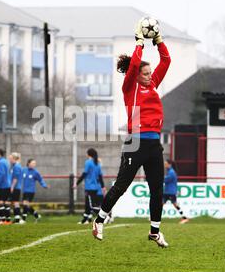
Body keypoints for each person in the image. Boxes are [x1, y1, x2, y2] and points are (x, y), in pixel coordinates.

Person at [92, 19, 171, 248]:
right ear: (136, 74)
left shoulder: (153, 84)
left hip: (154, 145)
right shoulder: (130, 87)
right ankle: (99, 220)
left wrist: (158, 41)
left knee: (157, 190)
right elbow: (135, 64)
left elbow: (166, 61)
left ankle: (155, 231)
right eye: (145, 72)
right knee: (121, 186)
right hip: (135, 143)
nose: (148, 75)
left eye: (149, 73)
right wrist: (140, 42)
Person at [76, 149, 106, 225]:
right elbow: (100, 176)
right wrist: (103, 186)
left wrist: (76, 183)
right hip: (95, 188)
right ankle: (85, 220)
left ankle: (105, 215)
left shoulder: (88, 162)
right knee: (88, 205)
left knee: (91, 205)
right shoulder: (98, 164)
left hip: (89, 187)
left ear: (89, 154)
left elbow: (84, 174)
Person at [21, 159, 48, 223]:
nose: (34, 165)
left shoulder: (35, 172)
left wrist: (44, 185)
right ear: (28, 163)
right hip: (25, 191)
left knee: (25, 204)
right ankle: (37, 215)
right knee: (26, 205)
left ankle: (23, 219)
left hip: (31, 191)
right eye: (33, 163)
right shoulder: (24, 170)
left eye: (35, 164)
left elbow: (40, 179)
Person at [164, 160, 189, 224]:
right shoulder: (170, 171)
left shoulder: (171, 172)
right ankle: (154, 218)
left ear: (170, 164)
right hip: (167, 191)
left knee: (175, 204)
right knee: (161, 204)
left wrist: (159, 178)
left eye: (166, 164)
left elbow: (166, 180)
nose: (164, 165)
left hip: (171, 192)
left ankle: (184, 218)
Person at [8, 153, 24, 224]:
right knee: (14, 202)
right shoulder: (16, 166)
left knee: (15, 202)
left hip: (16, 187)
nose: (10, 160)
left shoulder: (16, 166)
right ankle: (18, 218)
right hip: (17, 187)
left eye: (10, 159)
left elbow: (15, 178)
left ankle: (18, 219)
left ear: (14, 159)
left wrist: (12, 187)